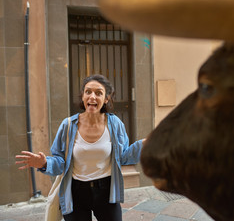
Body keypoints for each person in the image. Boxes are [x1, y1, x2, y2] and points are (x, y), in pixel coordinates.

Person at [15, 74, 145, 221]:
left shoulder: (115, 124)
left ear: (106, 99)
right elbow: (60, 162)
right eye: (88, 91)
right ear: (82, 96)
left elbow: (123, 157)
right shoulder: (68, 125)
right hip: (75, 192)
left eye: (98, 93)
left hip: (107, 192)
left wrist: (144, 145)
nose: (92, 97)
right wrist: (45, 163)